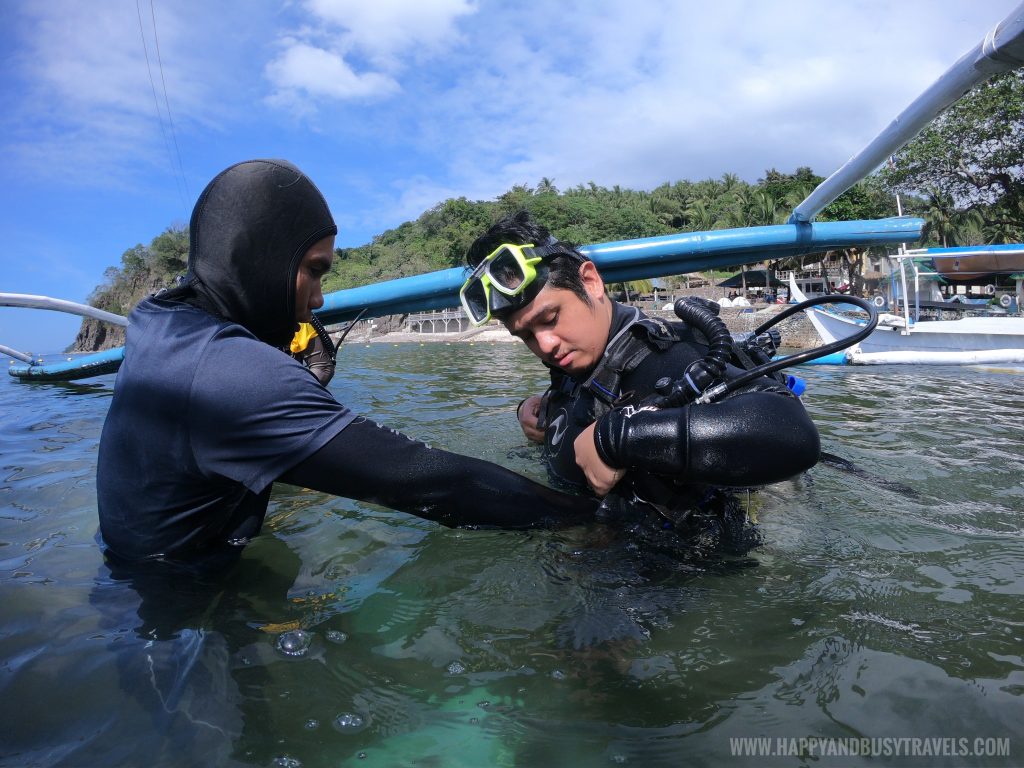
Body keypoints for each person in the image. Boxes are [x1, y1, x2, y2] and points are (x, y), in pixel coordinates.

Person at [97, 161, 595, 566]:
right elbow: (434, 482)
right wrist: (595, 520)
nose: (316, 301)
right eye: (313, 272)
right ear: (259, 258)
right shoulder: (228, 374)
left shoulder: (159, 323)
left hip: (137, 582)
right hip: (186, 621)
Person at [460, 211, 820, 539]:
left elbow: (793, 434)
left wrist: (617, 438)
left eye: (550, 319)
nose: (546, 344)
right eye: (525, 335)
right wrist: (542, 410)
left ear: (590, 282)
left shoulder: (669, 357)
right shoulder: (578, 363)